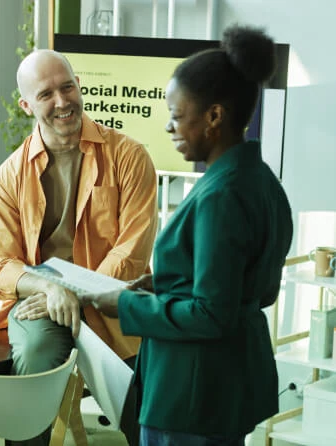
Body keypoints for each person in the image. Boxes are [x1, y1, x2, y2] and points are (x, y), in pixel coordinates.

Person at [78, 25, 293, 446]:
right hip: (227, 385)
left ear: (214, 116)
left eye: (177, 115)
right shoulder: (261, 181)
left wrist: (126, 304)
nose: (169, 127)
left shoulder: (221, 196)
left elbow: (213, 313)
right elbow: (254, 286)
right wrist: (166, 282)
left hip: (191, 393)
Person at [0, 49, 158, 444]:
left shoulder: (129, 157)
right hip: (42, 303)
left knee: (147, 410)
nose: (62, 102)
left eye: (68, 87)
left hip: (115, 301)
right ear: (26, 105)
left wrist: (74, 294)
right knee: (38, 354)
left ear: (79, 86)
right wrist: (49, 289)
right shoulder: (8, 177)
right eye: (46, 94)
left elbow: (131, 253)